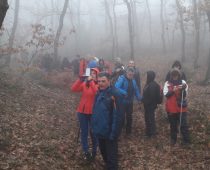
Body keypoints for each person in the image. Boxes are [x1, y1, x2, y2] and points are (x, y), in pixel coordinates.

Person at [92, 72, 123, 170]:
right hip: (100, 131)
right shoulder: (99, 93)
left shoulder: (115, 94)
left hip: (110, 133)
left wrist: (114, 133)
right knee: (104, 154)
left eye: (103, 81)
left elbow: (118, 116)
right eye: (99, 81)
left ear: (109, 81)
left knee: (111, 158)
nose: (100, 83)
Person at [71, 68, 99, 162]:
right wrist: (80, 79)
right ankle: (86, 151)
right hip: (82, 112)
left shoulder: (99, 85)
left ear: (97, 75)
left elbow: (96, 92)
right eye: (91, 73)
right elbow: (73, 89)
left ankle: (94, 150)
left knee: (94, 133)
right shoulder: (85, 84)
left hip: (93, 113)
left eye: (94, 73)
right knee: (84, 132)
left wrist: (91, 81)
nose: (92, 74)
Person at [163, 68, 190, 145]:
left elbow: (185, 95)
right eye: (173, 74)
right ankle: (173, 139)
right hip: (171, 108)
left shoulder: (183, 82)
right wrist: (173, 90)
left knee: (183, 124)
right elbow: (166, 95)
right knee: (173, 125)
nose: (175, 76)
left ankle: (186, 141)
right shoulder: (167, 83)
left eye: (176, 74)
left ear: (179, 74)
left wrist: (183, 90)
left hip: (181, 107)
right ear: (171, 75)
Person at [115, 68, 142, 135]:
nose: (131, 76)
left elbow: (136, 90)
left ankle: (128, 132)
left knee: (129, 116)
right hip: (122, 101)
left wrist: (139, 98)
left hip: (130, 102)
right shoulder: (122, 78)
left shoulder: (133, 80)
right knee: (121, 117)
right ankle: (119, 132)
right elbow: (116, 87)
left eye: (132, 75)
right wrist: (124, 92)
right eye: (129, 74)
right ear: (127, 73)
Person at [142, 71, 162, 138]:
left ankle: (152, 133)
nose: (145, 76)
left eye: (147, 75)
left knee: (150, 119)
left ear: (149, 76)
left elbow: (152, 97)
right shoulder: (149, 83)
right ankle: (149, 132)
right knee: (149, 118)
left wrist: (144, 101)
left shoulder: (152, 85)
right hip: (148, 105)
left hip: (150, 106)